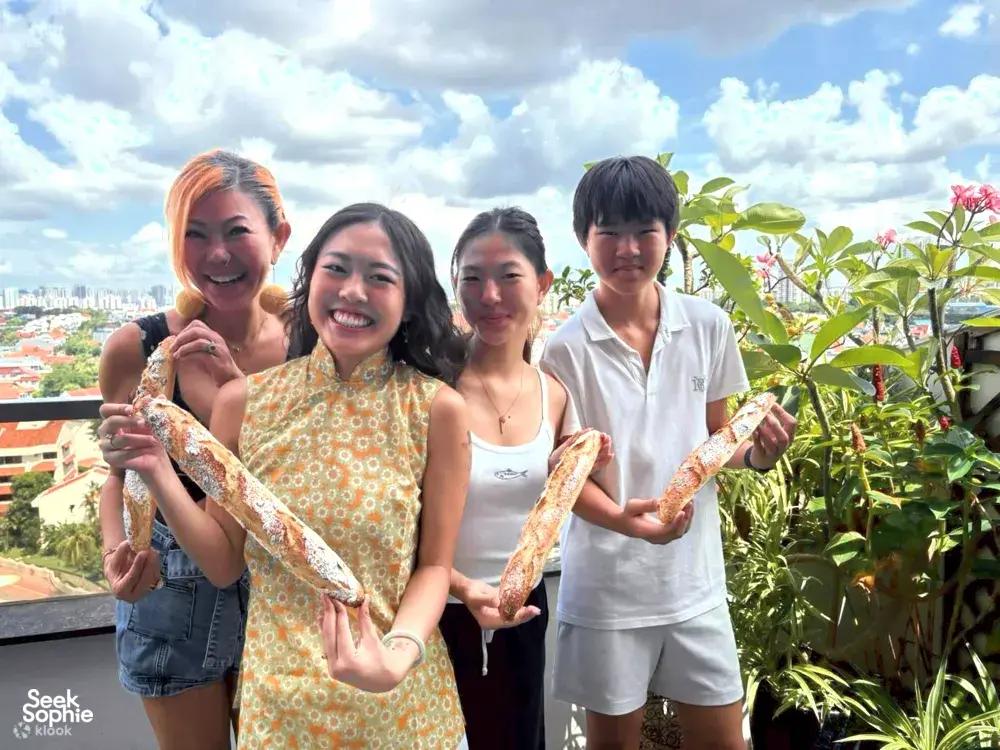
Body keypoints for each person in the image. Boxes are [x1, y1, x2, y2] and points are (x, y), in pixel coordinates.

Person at [98, 202, 473, 749]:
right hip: (281, 713)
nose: (352, 291)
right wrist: (156, 466)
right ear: (309, 278)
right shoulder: (243, 403)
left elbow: (435, 565)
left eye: (380, 277)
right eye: (336, 268)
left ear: (410, 299)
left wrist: (397, 655)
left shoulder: (436, 409)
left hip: (406, 709)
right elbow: (224, 563)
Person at [539, 156, 798, 750]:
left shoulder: (707, 325)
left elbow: (717, 439)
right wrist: (627, 523)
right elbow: (566, 480)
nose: (627, 249)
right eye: (609, 231)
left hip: (694, 584)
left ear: (670, 235)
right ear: (582, 238)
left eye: (644, 231)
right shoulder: (564, 349)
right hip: (606, 589)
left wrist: (758, 456)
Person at [96, 149, 292, 749]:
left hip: (283, 585)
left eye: (236, 231)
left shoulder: (309, 342)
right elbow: (118, 477)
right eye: (195, 234)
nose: (217, 254)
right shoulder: (138, 347)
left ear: (279, 238)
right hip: (170, 586)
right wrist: (117, 554)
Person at [440, 207, 611, 749]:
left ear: (542, 284)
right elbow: (400, 521)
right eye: (472, 278)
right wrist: (462, 588)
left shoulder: (552, 393)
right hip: (438, 615)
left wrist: (584, 471)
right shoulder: (430, 388)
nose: (489, 296)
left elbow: (565, 492)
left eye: (508, 276)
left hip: (524, 613)